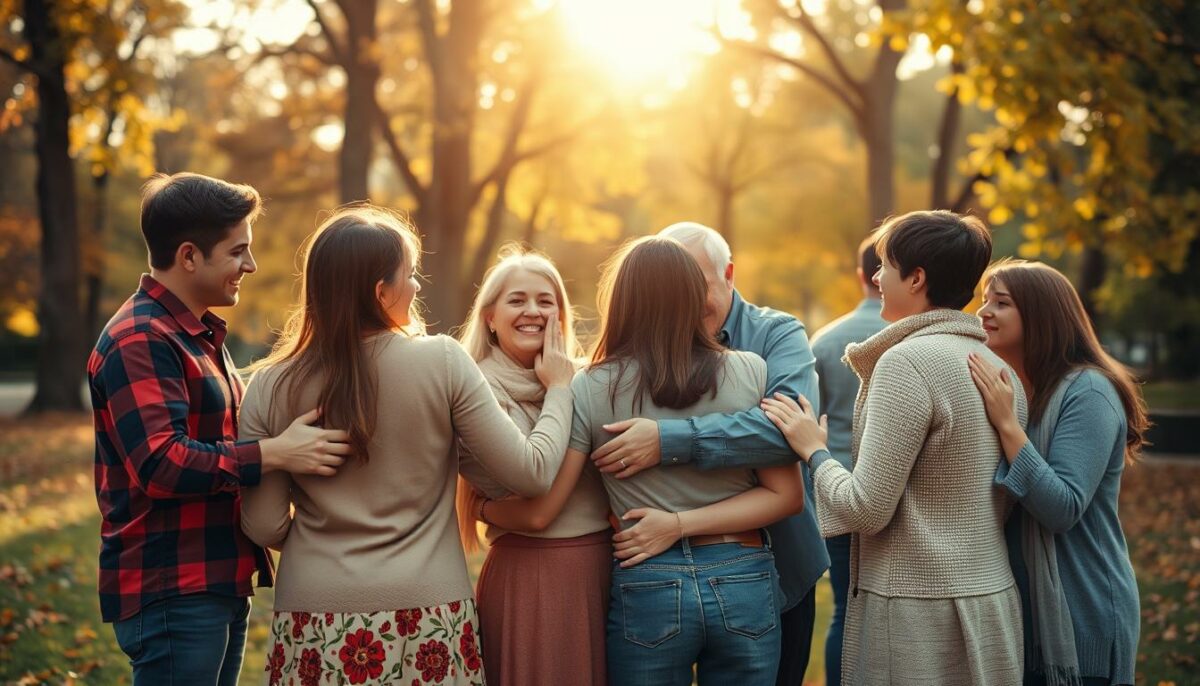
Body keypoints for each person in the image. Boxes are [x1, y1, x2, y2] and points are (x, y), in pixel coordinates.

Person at [237, 206, 577, 685]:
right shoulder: (442, 361)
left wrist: (327, 545)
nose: (418, 287)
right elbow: (533, 471)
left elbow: (263, 523)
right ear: (381, 292)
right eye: (411, 275)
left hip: (314, 615)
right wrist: (560, 389)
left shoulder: (271, 385)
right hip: (427, 616)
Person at [88, 172, 352, 685]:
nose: (249, 266)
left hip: (215, 582)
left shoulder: (197, 333)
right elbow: (162, 464)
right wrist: (275, 454)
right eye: (237, 252)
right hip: (172, 589)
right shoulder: (140, 338)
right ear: (189, 256)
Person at [762, 210, 1026, 685]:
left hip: (916, 617)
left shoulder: (906, 364)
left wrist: (813, 450)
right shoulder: (997, 366)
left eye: (886, 265)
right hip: (991, 606)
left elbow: (865, 509)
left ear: (918, 278)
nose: (878, 277)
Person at [593, 222, 829, 686]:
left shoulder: (775, 337)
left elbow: (786, 436)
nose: (687, 301)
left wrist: (667, 441)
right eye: (673, 288)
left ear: (730, 274)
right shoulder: (625, 369)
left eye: (698, 284)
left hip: (782, 565)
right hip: (653, 574)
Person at [970, 259, 1145, 686]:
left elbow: (1062, 507)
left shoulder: (1089, 392)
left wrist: (1008, 426)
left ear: (1041, 315)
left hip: (1083, 610)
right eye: (984, 300)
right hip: (1025, 617)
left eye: (1001, 302)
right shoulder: (1021, 388)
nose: (983, 311)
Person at [454, 245, 612, 686]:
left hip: (602, 570)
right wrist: (559, 389)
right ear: (489, 316)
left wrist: (484, 511)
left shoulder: (591, 378)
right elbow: (532, 487)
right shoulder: (471, 388)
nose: (533, 311)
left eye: (546, 301)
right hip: (528, 578)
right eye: (517, 300)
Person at [808, 235, 886, 686]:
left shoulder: (825, 341)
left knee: (844, 608)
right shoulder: (915, 334)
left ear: (861, 276)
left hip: (836, 486)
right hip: (895, 491)